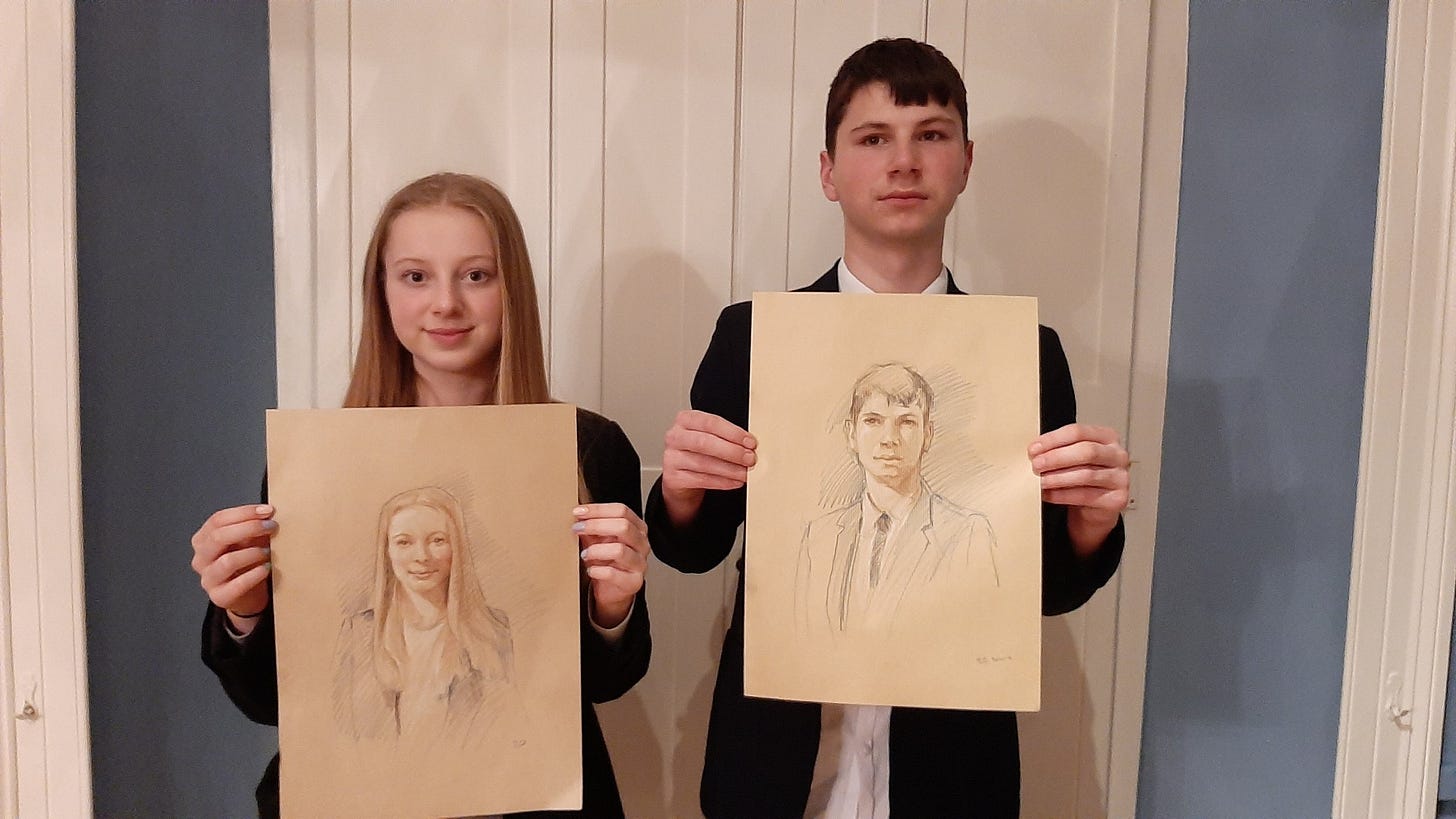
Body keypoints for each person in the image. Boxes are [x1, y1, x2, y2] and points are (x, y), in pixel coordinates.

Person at [645, 38, 1129, 817]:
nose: (903, 162)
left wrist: (1089, 526)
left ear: (965, 162)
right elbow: (694, 549)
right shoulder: (753, 337)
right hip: (779, 764)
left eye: (930, 135)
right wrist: (682, 493)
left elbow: (1042, 589)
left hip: (951, 773)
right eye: (873, 139)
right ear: (829, 171)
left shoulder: (1025, 355)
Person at [190, 172, 651, 819]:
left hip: (532, 800)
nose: (445, 304)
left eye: (476, 275)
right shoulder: (319, 463)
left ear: (512, 287)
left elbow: (605, 683)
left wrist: (612, 606)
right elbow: (270, 704)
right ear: (380, 290)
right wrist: (243, 612)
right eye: (415, 276)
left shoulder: (588, 449)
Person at [797, 362, 997, 636]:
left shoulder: (967, 534)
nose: (889, 439)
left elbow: (979, 637)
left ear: (927, 435)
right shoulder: (819, 537)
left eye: (906, 422)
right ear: (851, 434)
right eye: (873, 421)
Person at [335, 485, 514, 741]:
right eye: (404, 542)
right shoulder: (358, 633)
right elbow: (340, 736)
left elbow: (507, 735)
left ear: (457, 548)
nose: (422, 556)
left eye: (437, 540)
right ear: (387, 551)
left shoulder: (493, 629)